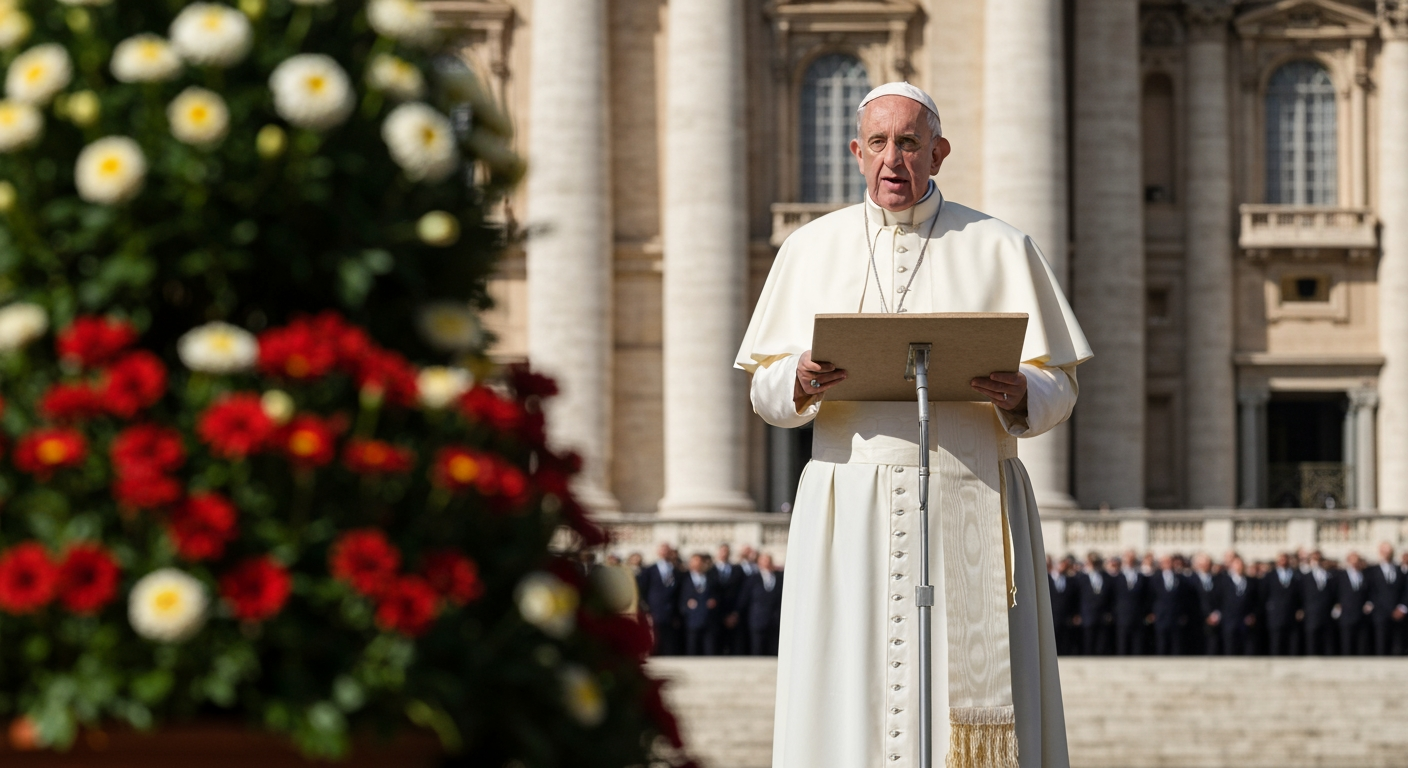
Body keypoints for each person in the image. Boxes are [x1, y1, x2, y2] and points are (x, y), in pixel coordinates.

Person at [736, 81, 1089, 767]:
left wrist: (1023, 391)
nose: (892, 159)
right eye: (877, 143)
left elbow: (1061, 386)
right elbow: (764, 391)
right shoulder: (809, 248)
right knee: (850, 687)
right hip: (850, 507)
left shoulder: (999, 245)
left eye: (908, 143)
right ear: (856, 152)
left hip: (971, 493)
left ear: (938, 152)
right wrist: (798, 379)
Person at [737, 553, 785, 655]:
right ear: (759, 563)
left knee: (774, 648)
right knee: (758, 648)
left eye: (768, 560)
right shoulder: (752, 578)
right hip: (758, 619)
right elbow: (744, 598)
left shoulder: (779, 577)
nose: (767, 563)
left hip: (774, 620)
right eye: (764, 560)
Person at [637, 543, 680, 655]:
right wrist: (646, 607)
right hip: (655, 609)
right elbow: (643, 589)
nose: (665, 552)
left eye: (667, 550)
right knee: (655, 637)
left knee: (669, 640)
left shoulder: (675, 570)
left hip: (671, 611)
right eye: (663, 550)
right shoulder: (649, 570)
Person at [1367, 542, 1406, 656]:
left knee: (1398, 644)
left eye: (1389, 551)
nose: (1387, 553)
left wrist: (1402, 607)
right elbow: (1371, 591)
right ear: (1380, 552)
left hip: (1398, 613)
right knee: (1381, 643)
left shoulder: (1400, 570)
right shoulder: (1372, 571)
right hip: (1379, 613)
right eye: (1384, 551)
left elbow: (1405, 590)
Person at [678, 553, 720, 656]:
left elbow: (718, 594)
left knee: (710, 649)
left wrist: (714, 600)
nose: (697, 564)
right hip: (691, 620)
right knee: (692, 649)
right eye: (695, 561)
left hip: (708, 620)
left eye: (700, 561)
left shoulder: (711, 578)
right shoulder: (683, 578)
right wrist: (686, 605)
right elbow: (679, 597)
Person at [1262, 552, 1302, 656]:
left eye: (1285, 559)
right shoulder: (1270, 576)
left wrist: (1299, 609)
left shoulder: (1296, 575)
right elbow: (1264, 595)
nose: (1283, 561)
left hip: (1291, 614)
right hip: (1275, 615)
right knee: (1276, 642)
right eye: (1281, 559)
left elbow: (1300, 594)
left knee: (1292, 643)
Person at [1149, 554, 1189, 656]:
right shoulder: (1154, 578)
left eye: (1169, 562)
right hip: (1160, 615)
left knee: (1176, 642)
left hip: (1175, 614)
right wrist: (1151, 612)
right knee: (1161, 641)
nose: (1167, 564)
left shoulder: (1180, 578)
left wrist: (1183, 613)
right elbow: (1150, 597)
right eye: (1165, 562)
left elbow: (1184, 597)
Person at [1076, 552, 1115, 656]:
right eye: (1092, 562)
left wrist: (1109, 612)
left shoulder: (1107, 577)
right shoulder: (1081, 578)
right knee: (1088, 641)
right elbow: (1077, 597)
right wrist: (1078, 614)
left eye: (1096, 562)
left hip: (1102, 615)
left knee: (1102, 643)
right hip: (1087, 615)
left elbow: (1111, 597)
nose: (1094, 565)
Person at [712, 544, 747, 655]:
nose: (724, 554)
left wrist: (735, 613)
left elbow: (743, 592)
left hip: (734, 614)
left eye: (726, 551)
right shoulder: (710, 571)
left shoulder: (738, 570)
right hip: (715, 616)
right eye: (722, 551)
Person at [1218, 556, 1257, 656]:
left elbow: (1256, 600)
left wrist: (1252, 615)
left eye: (1241, 564)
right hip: (1229, 621)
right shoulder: (1223, 581)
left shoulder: (1251, 582)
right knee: (1230, 648)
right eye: (1236, 564)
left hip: (1245, 621)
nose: (1239, 566)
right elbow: (1219, 600)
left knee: (1247, 647)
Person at [1113, 550, 1150, 655]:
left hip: (1138, 616)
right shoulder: (1117, 577)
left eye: (1132, 559)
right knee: (1122, 645)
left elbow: (1146, 596)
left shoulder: (1142, 577)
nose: (1129, 562)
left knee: (1138, 645)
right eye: (1127, 559)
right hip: (1122, 616)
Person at [1335, 552, 1372, 656]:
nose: (1355, 563)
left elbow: (1369, 592)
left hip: (1361, 615)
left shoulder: (1365, 575)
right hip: (1346, 615)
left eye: (1357, 561)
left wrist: (1369, 603)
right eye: (1353, 560)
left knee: (1361, 645)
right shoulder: (1340, 575)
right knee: (1347, 643)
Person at [1301, 550, 1336, 656]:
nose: (1317, 562)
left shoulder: (1330, 576)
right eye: (1314, 559)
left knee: (1327, 641)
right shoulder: (1305, 577)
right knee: (1312, 641)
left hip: (1326, 614)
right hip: (1311, 614)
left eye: (1319, 559)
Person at [1190, 553, 1221, 656]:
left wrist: (1216, 614)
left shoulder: (1217, 579)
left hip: (1214, 619)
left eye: (1208, 563)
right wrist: (1205, 615)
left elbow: (1221, 598)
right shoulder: (1191, 580)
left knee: (1212, 645)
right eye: (1202, 563)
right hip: (1197, 619)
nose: (1205, 565)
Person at [1048, 556, 1080, 655]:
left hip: (1065, 616)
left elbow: (1074, 598)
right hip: (1052, 614)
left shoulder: (1070, 580)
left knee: (1065, 638)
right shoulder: (1048, 579)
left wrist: (1075, 614)